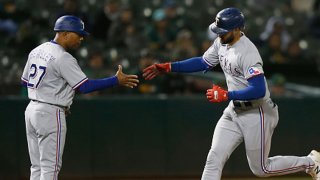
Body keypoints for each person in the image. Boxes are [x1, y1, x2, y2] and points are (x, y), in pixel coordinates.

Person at [142, 7, 320, 179]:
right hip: (234, 110)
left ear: (236, 29)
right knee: (214, 158)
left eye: (223, 30)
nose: (219, 34)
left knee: (262, 169)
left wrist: (227, 95)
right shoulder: (221, 42)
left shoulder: (248, 53)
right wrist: (169, 67)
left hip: (257, 112)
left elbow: (258, 90)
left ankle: (311, 163)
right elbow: (203, 62)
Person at [20, 15, 139, 180]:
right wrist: (115, 80)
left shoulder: (37, 50)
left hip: (31, 111)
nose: (81, 38)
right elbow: (85, 87)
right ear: (65, 33)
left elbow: (25, 82)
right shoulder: (63, 57)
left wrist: (56, 97)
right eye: (78, 34)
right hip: (50, 112)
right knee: (50, 167)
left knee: (37, 166)